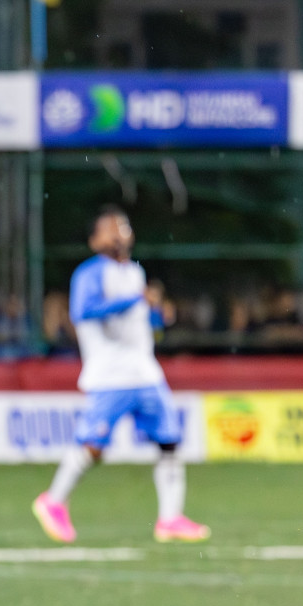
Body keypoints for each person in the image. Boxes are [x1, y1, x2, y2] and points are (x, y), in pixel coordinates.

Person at [32, 206, 209, 544]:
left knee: (170, 441)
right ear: (94, 240)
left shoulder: (135, 273)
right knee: (93, 446)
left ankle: (170, 519)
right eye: (110, 228)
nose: (119, 233)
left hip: (144, 372)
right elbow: (83, 311)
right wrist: (133, 300)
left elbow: (138, 321)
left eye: (124, 226)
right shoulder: (90, 273)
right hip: (110, 374)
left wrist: (157, 314)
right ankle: (53, 500)